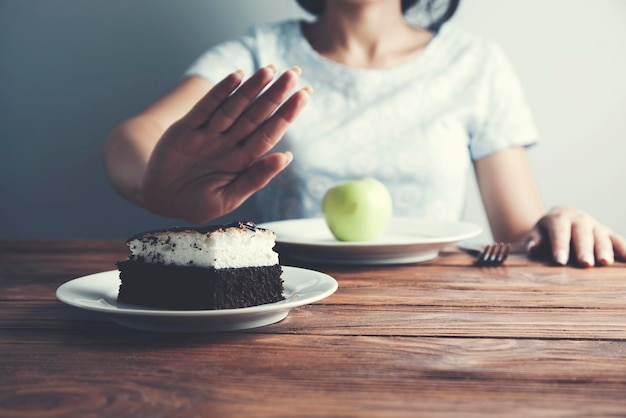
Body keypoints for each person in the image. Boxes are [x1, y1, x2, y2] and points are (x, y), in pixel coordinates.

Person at [103, 0, 626, 267]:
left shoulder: (477, 64)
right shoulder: (259, 53)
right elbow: (134, 137)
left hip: (437, 323)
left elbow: (517, 234)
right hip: (280, 305)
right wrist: (157, 186)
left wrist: (558, 223)